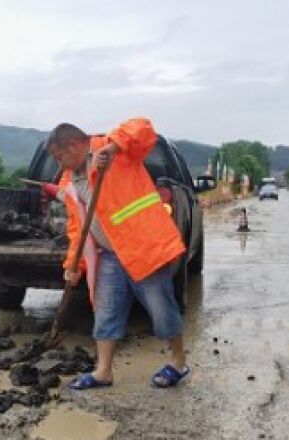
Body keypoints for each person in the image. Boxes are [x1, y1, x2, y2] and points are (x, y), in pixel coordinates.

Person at [47, 118, 191, 389]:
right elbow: (77, 227)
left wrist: (113, 149)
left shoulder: (115, 150)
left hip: (143, 249)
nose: (59, 164)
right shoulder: (70, 180)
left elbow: (144, 128)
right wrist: (73, 263)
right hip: (109, 256)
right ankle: (103, 371)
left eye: (60, 156)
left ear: (75, 144)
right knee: (106, 312)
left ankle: (178, 362)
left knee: (162, 311)